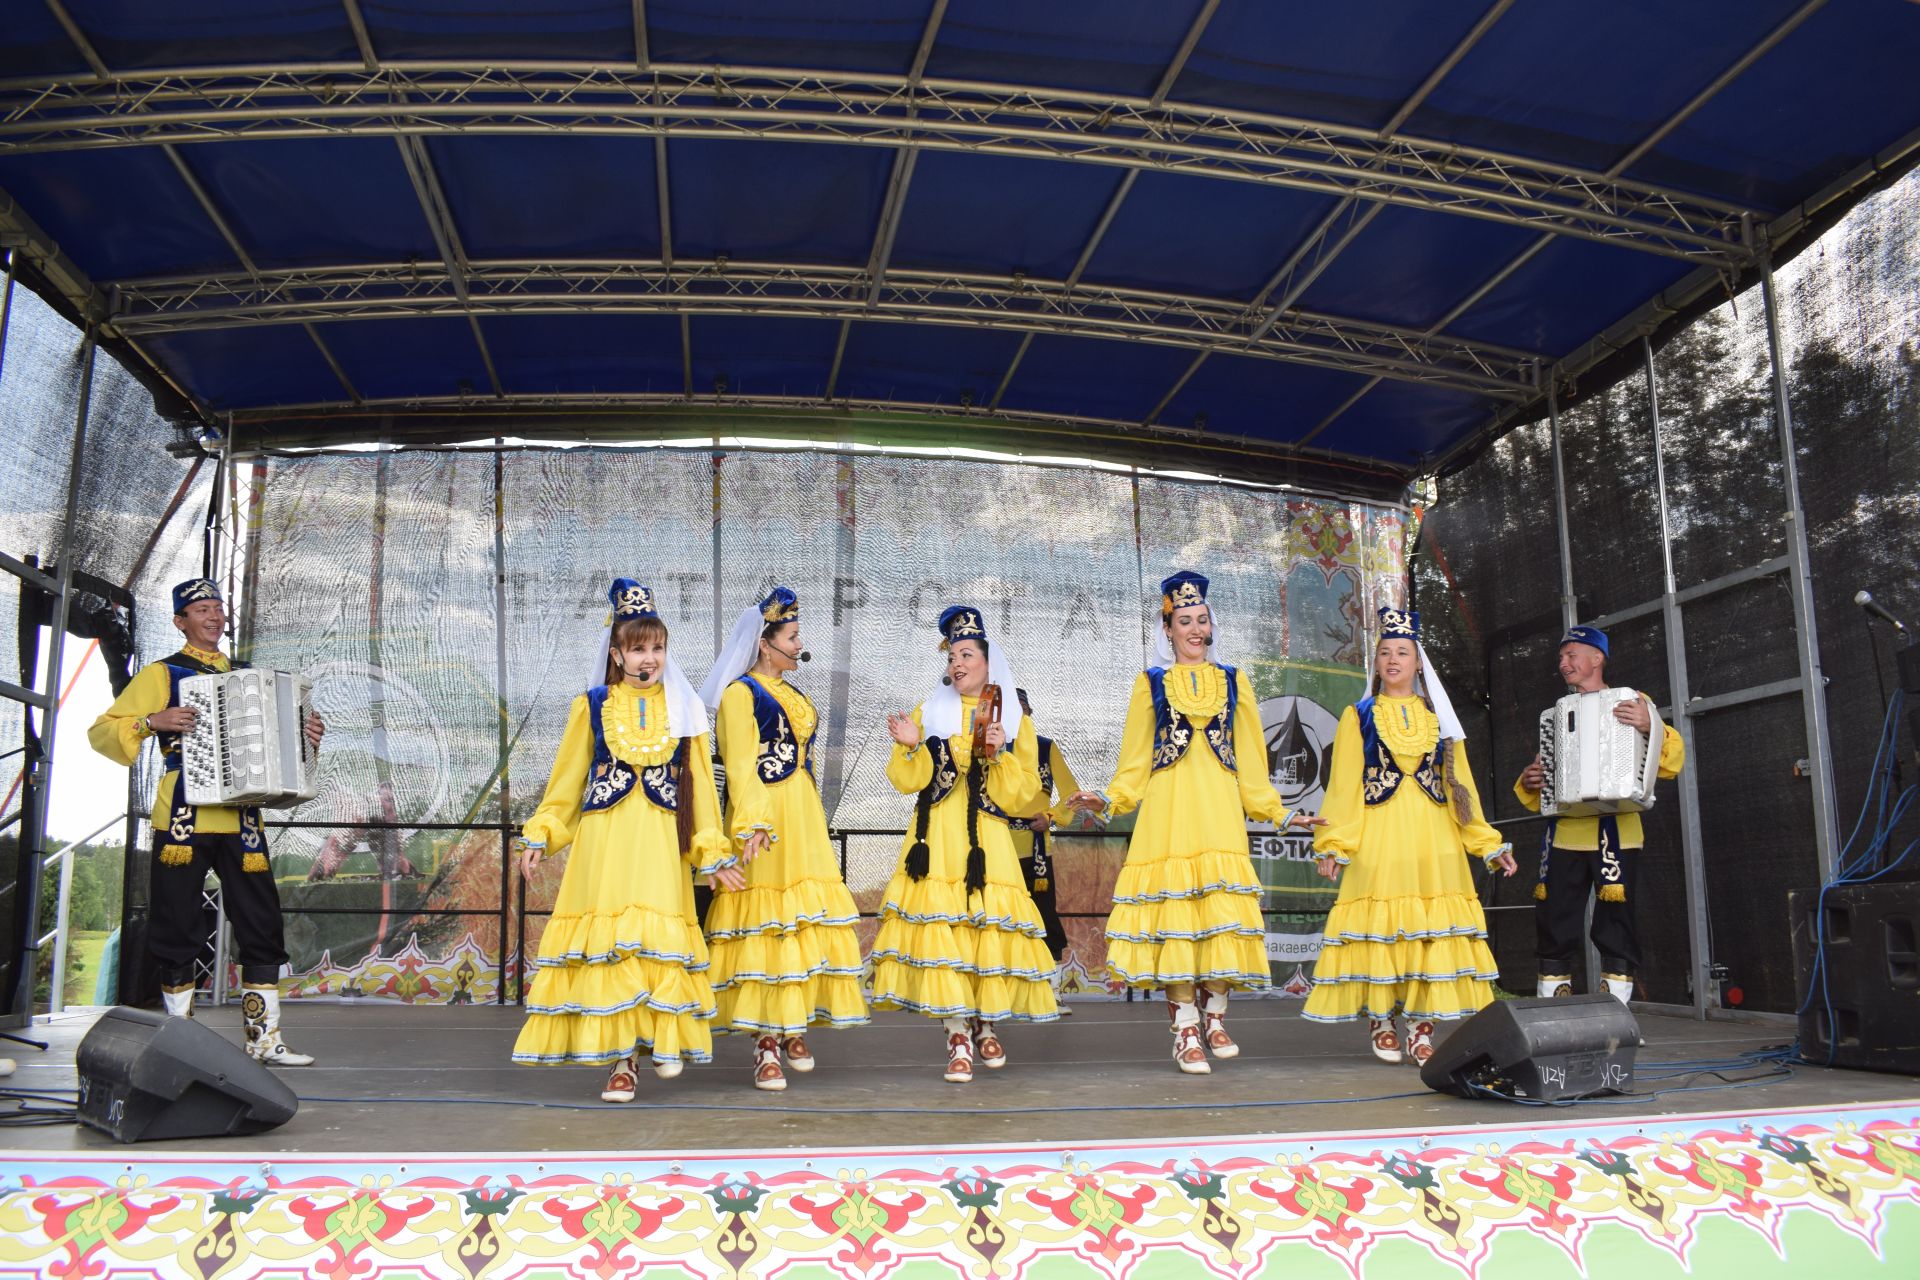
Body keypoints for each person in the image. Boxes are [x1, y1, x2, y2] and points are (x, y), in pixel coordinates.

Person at [1069, 571, 1321, 1075]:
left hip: (1218, 815)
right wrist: (1109, 797)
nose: (1195, 629)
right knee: (1178, 920)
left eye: (1202, 620)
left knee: (1221, 914)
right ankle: (1185, 1026)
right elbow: (1135, 764)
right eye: (1184, 621)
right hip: (1169, 814)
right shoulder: (1151, 685)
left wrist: (1280, 811)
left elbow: (1252, 764)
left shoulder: (1234, 681)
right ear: (1168, 629)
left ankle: (1216, 1013)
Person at [510, 579, 738, 1102]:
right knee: (614, 949)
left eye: (657, 647)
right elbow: (565, 784)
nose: (649, 657)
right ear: (616, 653)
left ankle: (661, 1037)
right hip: (606, 845)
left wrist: (712, 851)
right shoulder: (592, 706)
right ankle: (622, 1062)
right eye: (637, 648)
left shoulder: (686, 714)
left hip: (660, 844)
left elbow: (702, 792)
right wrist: (541, 836)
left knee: (655, 944)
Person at [88, 577, 325, 1066]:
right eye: (201, 610)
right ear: (181, 621)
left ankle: (264, 1039)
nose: (214, 617)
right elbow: (102, 731)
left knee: (261, 922)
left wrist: (307, 734)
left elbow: (283, 744)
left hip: (242, 818)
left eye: (218, 608)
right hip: (183, 816)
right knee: (176, 924)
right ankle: (180, 1040)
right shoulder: (162, 674)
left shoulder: (247, 675)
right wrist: (152, 721)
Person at [1303, 607, 1517, 1065]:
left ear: (1419, 662)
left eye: (1403, 652)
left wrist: (1487, 844)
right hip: (1379, 837)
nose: (1394, 659)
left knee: (1428, 934)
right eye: (1385, 653)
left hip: (1433, 839)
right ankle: (1381, 1022)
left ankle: (1422, 1028)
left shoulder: (1440, 719)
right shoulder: (1357, 715)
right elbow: (1343, 788)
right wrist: (1334, 845)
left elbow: (1463, 791)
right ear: (1376, 664)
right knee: (1382, 933)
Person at [872, 605, 1058, 1082]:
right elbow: (904, 778)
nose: (958, 662)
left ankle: (986, 1021)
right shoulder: (928, 711)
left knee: (983, 931)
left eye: (967, 653)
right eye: (953, 654)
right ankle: (957, 1035)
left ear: (988, 662)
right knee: (945, 936)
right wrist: (914, 744)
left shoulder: (1011, 717)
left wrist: (999, 756)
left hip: (986, 844)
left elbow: (1022, 795)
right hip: (936, 840)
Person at [699, 587, 867, 1091]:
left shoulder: (796, 695)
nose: (799, 645)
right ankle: (765, 1042)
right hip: (765, 817)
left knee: (800, 920)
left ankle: (793, 1023)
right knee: (766, 923)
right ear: (765, 643)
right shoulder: (739, 694)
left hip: (803, 816)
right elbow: (743, 767)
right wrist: (752, 824)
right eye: (792, 637)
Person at [1516, 624, 1686, 1003]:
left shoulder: (1635, 702)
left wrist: (1651, 725)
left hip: (1618, 832)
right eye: (1561, 657)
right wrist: (1530, 781)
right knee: (1554, 923)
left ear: (1597, 658)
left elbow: (1673, 763)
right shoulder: (1557, 714)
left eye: (1571, 655)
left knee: (1617, 925)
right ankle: (1555, 1014)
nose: (1563, 663)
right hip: (1566, 834)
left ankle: (1615, 1018)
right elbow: (1541, 777)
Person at [1006, 688, 1085, 1012]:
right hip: (997, 849)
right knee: (1001, 920)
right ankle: (1002, 995)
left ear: (1030, 711)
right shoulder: (991, 748)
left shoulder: (1045, 748)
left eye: (1022, 708)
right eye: (1011, 708)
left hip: (1036, 850)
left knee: (1044, 916)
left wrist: (1051, 816)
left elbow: (1071, 793)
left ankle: (1051, 991)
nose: (1018, 714)